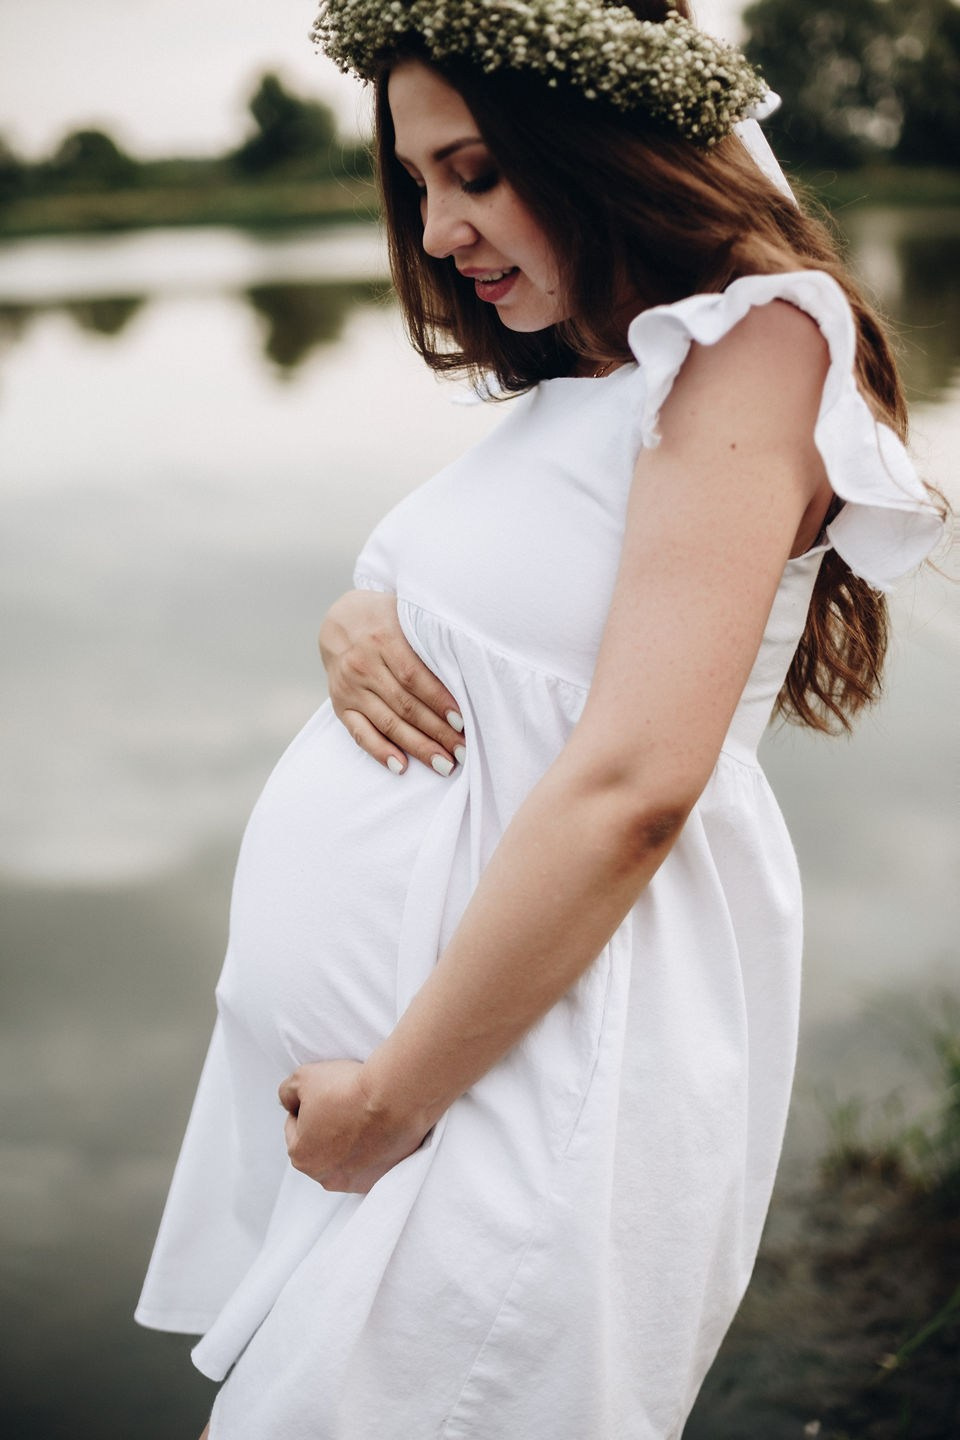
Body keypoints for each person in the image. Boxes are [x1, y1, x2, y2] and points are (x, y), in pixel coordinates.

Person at [135, 3, 946, 1436]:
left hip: (528, 1073)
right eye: (419, 181)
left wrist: (391, 1098)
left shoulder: (755, 340)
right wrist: (357, 620)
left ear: (609, 143)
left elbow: (637, 778)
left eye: (479, 170)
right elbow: (509, 621)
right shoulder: (603, 372)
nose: (440, 227)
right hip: (442, 1082)